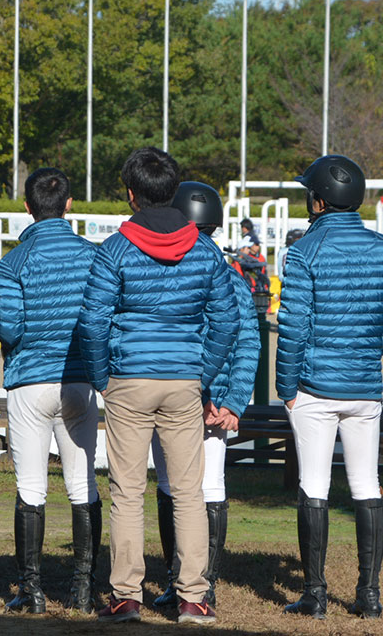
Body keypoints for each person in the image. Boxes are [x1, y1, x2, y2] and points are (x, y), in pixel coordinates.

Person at [79, 147, 238, 626]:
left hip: (128, 378)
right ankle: (193, 598)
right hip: (184, 380)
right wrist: (202, 374)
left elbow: (93, 321)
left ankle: (126, 597)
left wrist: (102, 377)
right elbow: (227, 321)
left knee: (127, 491)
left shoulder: (115, 249)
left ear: (131, 194)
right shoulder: (204, 250)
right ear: (174, 191)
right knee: (188, 491)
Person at [277, 155, 383, 620]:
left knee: (314, 485)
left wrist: (286, 388)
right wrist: (366, 347)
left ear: (319, 201)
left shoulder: (304, 251)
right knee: (366, 483)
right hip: (364, 388)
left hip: (314, 387)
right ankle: (369, 595)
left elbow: (293, 328)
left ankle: (315, 595)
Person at [0, 168, 100, 615]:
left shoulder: (14, 261)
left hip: (30, 381)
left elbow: (8, 328)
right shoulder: (94, 256)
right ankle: (83, 589)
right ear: (69, 204)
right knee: (83, 484)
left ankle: (31, 591)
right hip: (79, 380)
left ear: (27, 207)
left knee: (31, 487)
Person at [150, 182, 260, 611]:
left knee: (169, 487)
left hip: (177, 393)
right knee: (210, 486)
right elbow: (248, 344)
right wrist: (232, 400)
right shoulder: (233, 277)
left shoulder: (168, 268)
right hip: (213, 401)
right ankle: (202, 585)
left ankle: (178, 579)